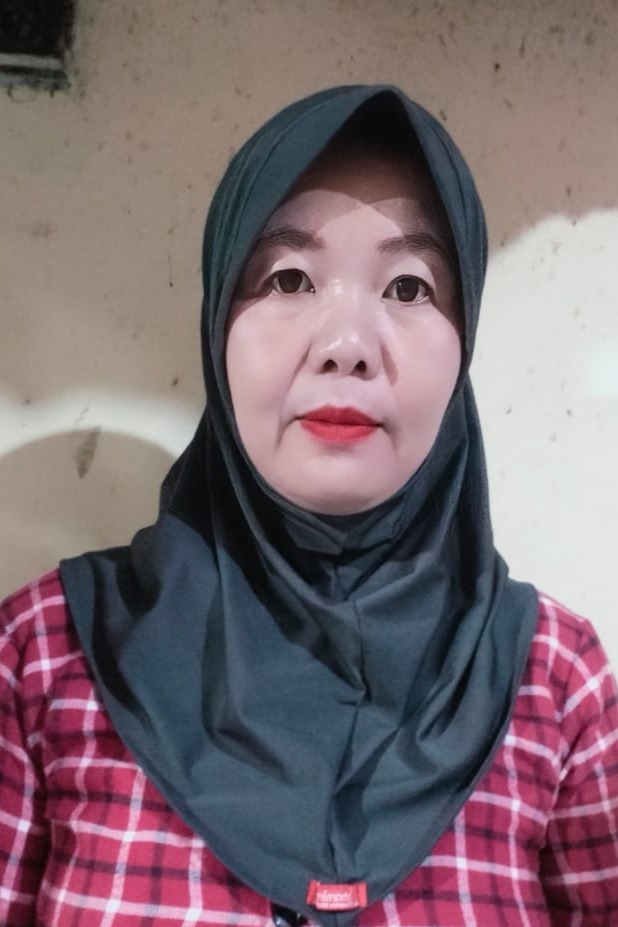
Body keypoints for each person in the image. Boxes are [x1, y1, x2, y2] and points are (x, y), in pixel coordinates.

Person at [1, 85, 617, 927]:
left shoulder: (554, 681)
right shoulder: (46, 658)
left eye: (410, 288)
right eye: (289, 277)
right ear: (218, 323)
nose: (347, 346)